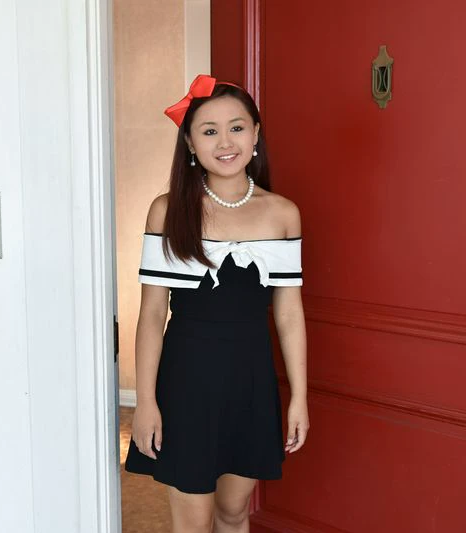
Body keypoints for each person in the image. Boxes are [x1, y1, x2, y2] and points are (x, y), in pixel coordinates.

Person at [124, 74, 309, 533]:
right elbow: (152, 314)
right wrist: (145, 402)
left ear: (256, 133)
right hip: (185, 384)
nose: (225, 142)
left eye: (237, 128)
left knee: (233, 513)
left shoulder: (283, 214)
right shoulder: (167, 210)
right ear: (190, 142)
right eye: (209, 131)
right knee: (194, 523)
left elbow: (289, 314)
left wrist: (299, 397)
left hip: (251, 383)